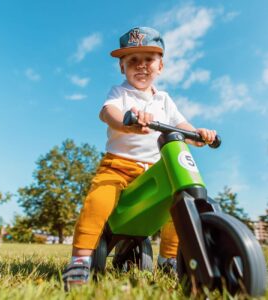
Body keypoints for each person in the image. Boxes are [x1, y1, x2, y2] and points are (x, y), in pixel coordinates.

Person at [62, 26, 216, 289]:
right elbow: (107, 113)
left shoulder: (165, 100)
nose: (141, 66)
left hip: (156, 170)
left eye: (149, 60)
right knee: (98, 201)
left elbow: (183, 127)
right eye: (133, 60)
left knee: (179, 202)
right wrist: (126, 121)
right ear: (122, 67)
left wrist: (199, 134)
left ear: (161, 66)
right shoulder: (120, 93)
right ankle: (80, 260)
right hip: (118, 166)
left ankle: (169, 260)